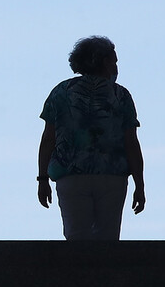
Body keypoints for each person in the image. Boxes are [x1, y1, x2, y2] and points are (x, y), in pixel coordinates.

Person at [37, 36, 145, 240]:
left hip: (70, 175)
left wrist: (42, 178)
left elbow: (48, 139)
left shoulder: (61, 92)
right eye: (114, 61)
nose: (115, 67)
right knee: (108, 238)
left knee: (76, 237)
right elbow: (131, 143)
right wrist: (139, 184)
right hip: (112, 176)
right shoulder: (120, 95)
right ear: (103, 61)